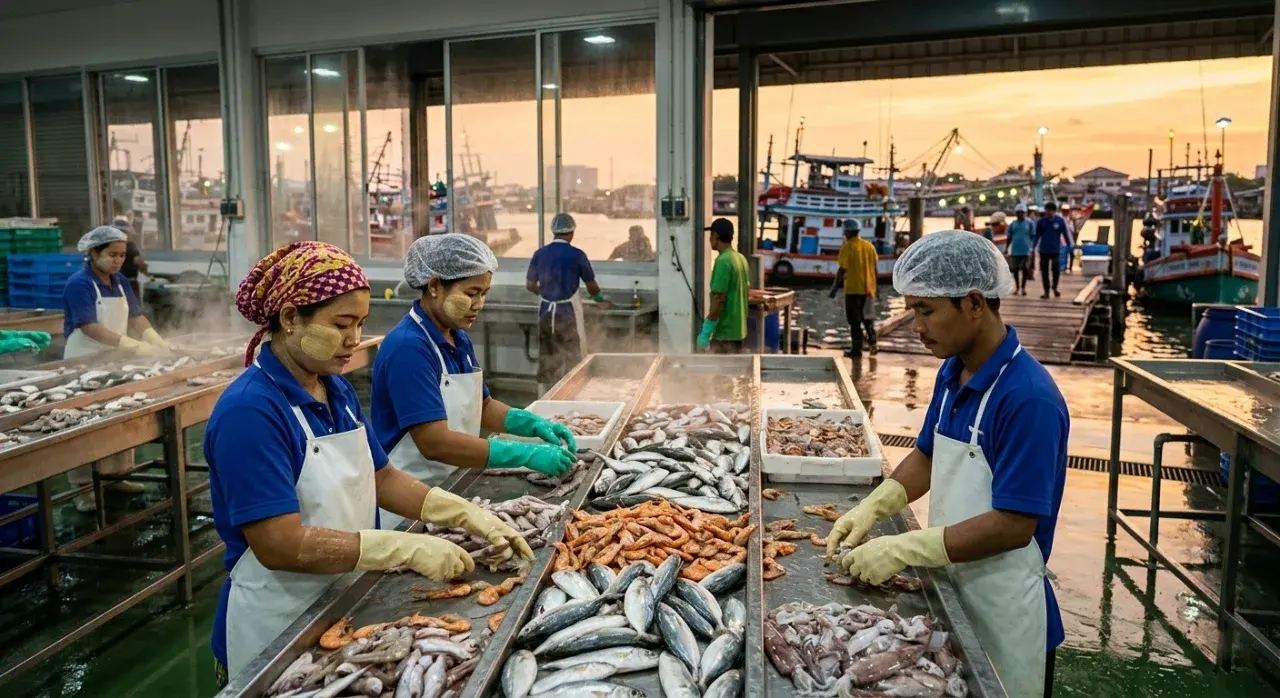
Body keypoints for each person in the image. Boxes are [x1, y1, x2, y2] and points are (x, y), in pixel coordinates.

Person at [205, 241, 532, 686]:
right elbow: (278, 544)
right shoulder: (251, 412)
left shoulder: (333, 387)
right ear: (290, 318)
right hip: (276, 628)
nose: (354, 339)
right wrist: (401, 548)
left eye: (360, 324)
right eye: (341, 324)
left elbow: (382, 476)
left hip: (339, 600)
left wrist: (460, 512)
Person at [825, 230, 1067, 698]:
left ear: (974, 303)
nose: (915, 326)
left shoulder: (1028, 399)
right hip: (953, 587)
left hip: (1007, 612)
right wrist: (876, 505)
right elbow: (929, 454)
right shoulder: (953, 370)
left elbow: (1015, 525)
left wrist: (904, 548)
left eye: (926, 311)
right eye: (912, 310)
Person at [371, 233, 576, 500]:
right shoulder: (408, 348)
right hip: (409, 498)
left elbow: (483, 407)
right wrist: (524, 453)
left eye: (483, 293)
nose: (479, 304)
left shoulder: (456, 337)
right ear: (435, 286)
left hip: (447, 484)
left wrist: (532, 424)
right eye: (471, 293)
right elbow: (434, 443)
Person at [62, 226, 170, 513]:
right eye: (112, 255)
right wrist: (130, 344)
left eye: (122, 255)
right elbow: (89, 326)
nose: (118, 261)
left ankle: (117, 477)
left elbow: (136, 316)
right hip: (84, 360)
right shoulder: (79, 283)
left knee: (120, 415)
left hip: (115, 359)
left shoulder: (120, 281)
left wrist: (152, 337)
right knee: (85, 423)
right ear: (93, 252)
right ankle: (83, 488)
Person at [526, 213, 607, 392]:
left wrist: (546, 294)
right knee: (573, 357)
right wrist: (600, 300)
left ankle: (543, 398)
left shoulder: (539, 254)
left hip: (545, 313)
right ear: (571, 233)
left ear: (553, 232)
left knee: (547, 356)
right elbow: (591, 285)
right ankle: (573, 395)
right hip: (567, 313)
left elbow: (530, 285)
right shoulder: (577, 255)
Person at [698, 218, 749, 354]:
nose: (710, 239)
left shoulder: (723, 261)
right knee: (733, 367)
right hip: (739, 332)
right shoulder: (741, 258)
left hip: (724, 333)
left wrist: (706, 331)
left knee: (718, 368)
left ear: (715, 237)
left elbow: (719, 299)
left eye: (711, 236)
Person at [829, 220, 877, 358]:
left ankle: (857, 350)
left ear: (848, 232)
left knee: (854, 321)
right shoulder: (869, 246)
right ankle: (873, 345)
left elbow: (842, 270)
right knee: (868, 319)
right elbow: (874, 268)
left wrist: (834, 288)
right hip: (869, 290)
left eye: (845, 231)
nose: (844, 234)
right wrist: (875, 288)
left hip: (853, 290)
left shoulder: (847, 247)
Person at [1034, 201, 1068, 298]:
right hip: (1043, 250)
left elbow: (1065, 234)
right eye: (1047, 210)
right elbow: (1037, 235)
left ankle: (1055, 287)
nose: (1049, 212)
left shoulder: (1060, 221)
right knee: (1044, 271)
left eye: (1051, 211)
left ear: (1054, 211)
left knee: (1056, 270)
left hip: (1055, 250)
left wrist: (1069, 245)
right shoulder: (1041, 222)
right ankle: (1046, 291)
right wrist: (1033, 247)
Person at [112, 217, 148, 302]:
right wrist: (144, 269)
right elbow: (140, 263)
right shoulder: (129, 246)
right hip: (126, 285)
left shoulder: (113, 247)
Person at [1006, 204, 1036, 296]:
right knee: (1015, 269)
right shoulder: (1012, 224)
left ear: (1025, 213)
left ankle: (1023, 288)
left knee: (1025, 269)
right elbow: (1009, 237)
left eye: (1022, 213)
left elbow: (1033, 236)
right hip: (1015, 250)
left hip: (1026, 250)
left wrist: (1032, 248)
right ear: (1016, 213)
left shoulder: (1030, 224)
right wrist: (1007, 248)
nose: (1020, 214)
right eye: (1018, 213)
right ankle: (1017, 287)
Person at [1057, 204, 1077, 274]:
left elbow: (1073, 230)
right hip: (1061, 241)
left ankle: (1070, 268)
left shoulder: (1070, 219)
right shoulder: (1059, 218)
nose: (1065, 212)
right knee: (1062, 256)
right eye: (1064, 210)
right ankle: (1062, 269)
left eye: (1067, 211)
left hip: (1070, 240)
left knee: (1071, 255)